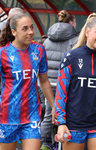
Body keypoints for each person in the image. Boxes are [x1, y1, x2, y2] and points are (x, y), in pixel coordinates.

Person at [0, 13, 55, 150]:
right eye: (25, 29)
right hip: (7, 115)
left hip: (32, 115)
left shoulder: (39, 50)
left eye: (31, 27)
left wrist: (54, 107)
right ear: (14, 32)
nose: (30, 32)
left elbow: (44, 82)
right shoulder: (2, 53)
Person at [55, 13, 96, 150]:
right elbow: (61, 93)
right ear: (88, 32)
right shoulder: (70, 57)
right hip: (74, 123)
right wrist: (61, 122)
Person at [40, 10, 78, 149]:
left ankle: (40, 144)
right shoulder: (75, 40)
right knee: (66, 117)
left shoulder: (46, 41)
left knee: (48, 117)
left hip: (48, 84)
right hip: (66, 85)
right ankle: (61, 145)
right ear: (72, 23)